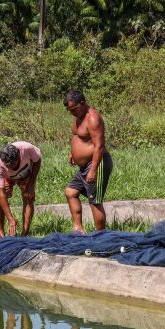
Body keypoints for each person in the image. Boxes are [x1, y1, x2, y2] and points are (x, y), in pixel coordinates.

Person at [64, 90, 113, 235]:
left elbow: (99, 146)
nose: (71, 112)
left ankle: (101, 236)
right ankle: (78, 229)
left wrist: (93, 170)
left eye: (73, 109)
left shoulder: (93, 118)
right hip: (85, 165)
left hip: (97, 163)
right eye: (69, 110)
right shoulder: (78, 115)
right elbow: (79, 136)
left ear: (83, 104)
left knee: (95, 201)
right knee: (70, 192)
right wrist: (72, 152)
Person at [0, 141, 42, 237]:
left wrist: (31, 184)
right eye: (8, 166)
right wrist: (10, 219)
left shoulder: (27, 148)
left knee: (28, 197)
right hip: (8, 178)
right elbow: (2, 194)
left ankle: (24, 234)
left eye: (13, 165)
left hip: (26, 174)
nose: (11, 167)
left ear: (19, 155)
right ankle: (1, 233)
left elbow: (37, 160)